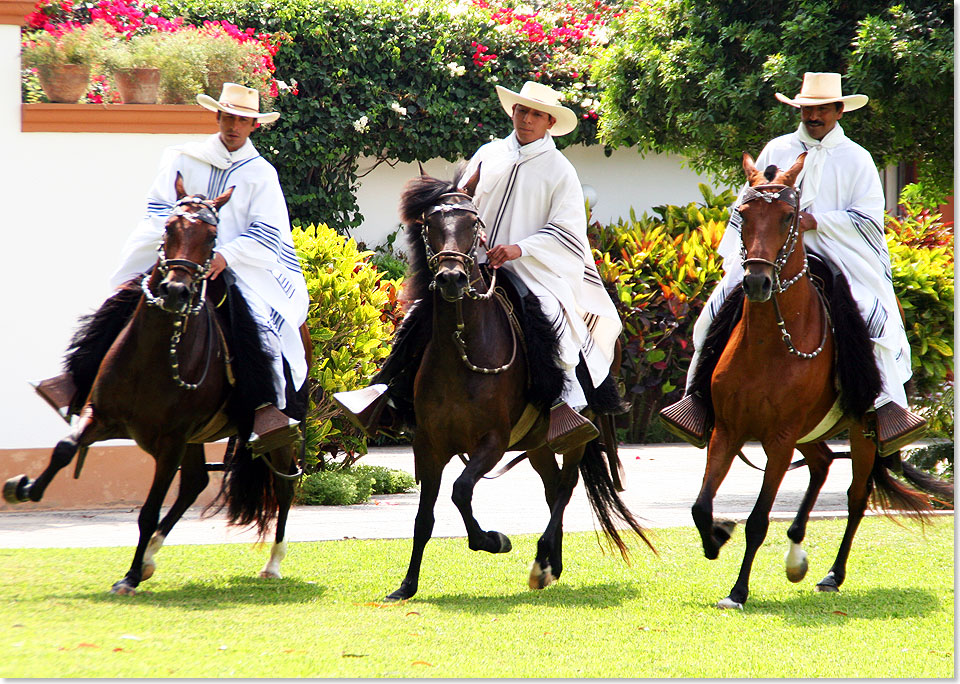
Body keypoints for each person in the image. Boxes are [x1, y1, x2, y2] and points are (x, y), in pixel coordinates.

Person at [336, 81, 623, 453]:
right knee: (423, 311)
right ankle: (385, 390)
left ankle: (560, 406)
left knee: (550, 317)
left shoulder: (560, 170)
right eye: (522, 110)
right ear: (513, 112)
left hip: (534, 270)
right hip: (475, 263)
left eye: (537, 114)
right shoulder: (489, 153)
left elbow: (566, 229)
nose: (527, 119)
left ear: (550, 122)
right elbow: (462, 202)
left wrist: (519, 248)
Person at [659, 71, 926, 456]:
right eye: (806, 109)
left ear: (838, 110)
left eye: (820, 109)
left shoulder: (857, 159)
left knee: (872, 314)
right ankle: (698, 400)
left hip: (837, 254)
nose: (813, 115)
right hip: (771, 251)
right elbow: (746, 203)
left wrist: (817, 221)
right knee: (714, 311)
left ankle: (885, 405)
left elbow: (868, 218)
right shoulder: (777, 148)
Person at [32, 82, 309, 453]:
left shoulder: (261, 174)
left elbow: (268, 231)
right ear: (217, 116)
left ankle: (263, 410)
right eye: (228, 117)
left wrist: (227, 256)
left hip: (232, 265)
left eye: (242, 120)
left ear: (253, 126)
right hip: (177, 256)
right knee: (120, 302)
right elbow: (158, 206)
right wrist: (181, 242)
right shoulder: (182, 156)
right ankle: (76, 381)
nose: (233, 126)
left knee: (258, 326)